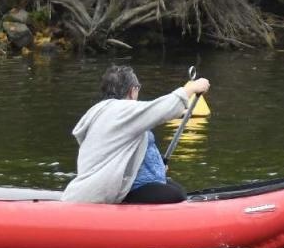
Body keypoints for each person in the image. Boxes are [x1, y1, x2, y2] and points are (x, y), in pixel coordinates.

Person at [62, 65, 210, 204]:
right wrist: (191, 89)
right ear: (132, 90)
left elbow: (124, 148)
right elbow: (161, 109)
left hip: (128, 181)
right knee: (176, 195)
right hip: (115, 188)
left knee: (175, 188)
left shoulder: (103, 111)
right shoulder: (123, 110)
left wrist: (158, 166)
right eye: (138, 88)